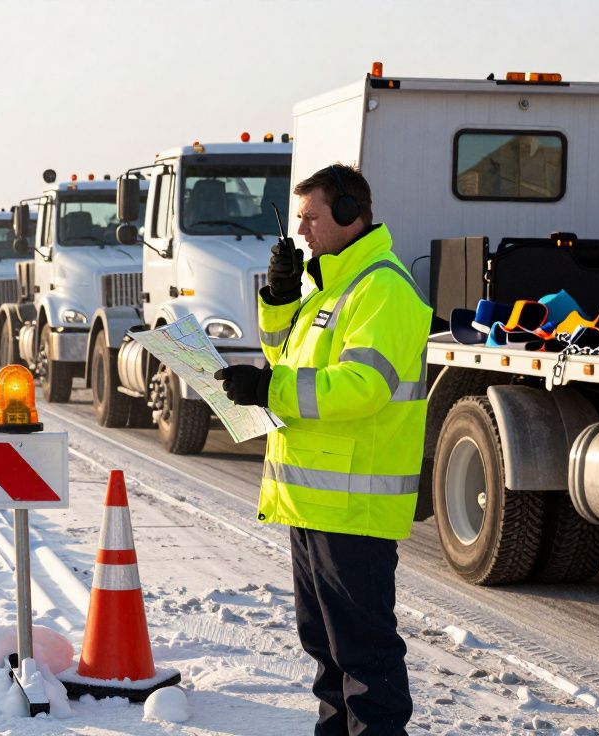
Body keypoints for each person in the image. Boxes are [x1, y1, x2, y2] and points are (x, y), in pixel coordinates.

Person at [215, 164, 431, 735]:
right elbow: (288, 357)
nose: (302, 231)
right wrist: (280, 299)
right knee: (327, 655)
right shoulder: (332, 287)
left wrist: (269, 388)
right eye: (302, 218)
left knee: (364, 657)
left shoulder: (381, 288)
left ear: (347, 214)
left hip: (352, 508)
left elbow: (363, 387)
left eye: (311, 217)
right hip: (313, 503)